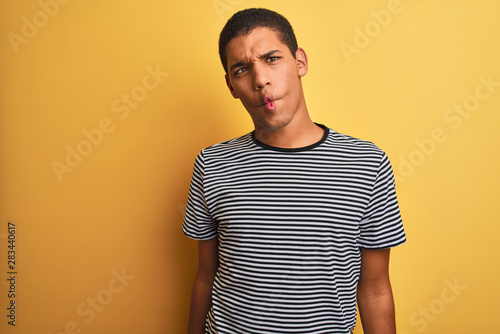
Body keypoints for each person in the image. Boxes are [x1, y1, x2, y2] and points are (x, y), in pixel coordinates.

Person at [183, 8, 406, 334]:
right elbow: (205, 274)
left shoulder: (366, 164)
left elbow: (374, 288)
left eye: (272, 58)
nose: (260, 80)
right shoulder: (212, 164)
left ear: (299, 61)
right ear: (231, 85)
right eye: (242, 69)